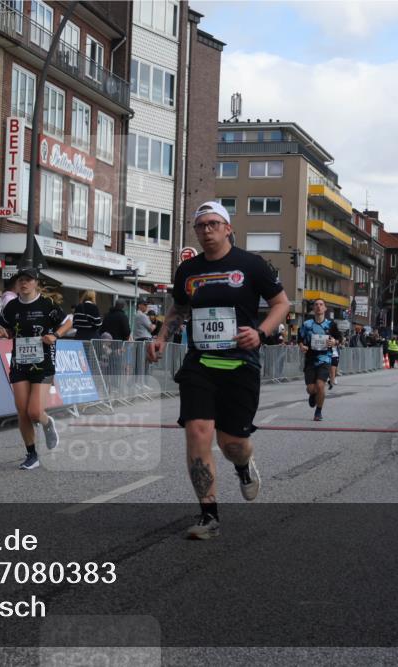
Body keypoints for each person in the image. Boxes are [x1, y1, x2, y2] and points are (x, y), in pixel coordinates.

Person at [147, 201, 290, 540]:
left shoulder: (252, 265)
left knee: (232, 443)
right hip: (200, 363)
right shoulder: (188, 271)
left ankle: (243, 465)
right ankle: (208, 515)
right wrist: (162, 336)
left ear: (228, 228)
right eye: (201, 226)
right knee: (197, 430)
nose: (207, 231)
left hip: (240, 364)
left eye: (213, 224)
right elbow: (178, 308)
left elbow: (281, 303)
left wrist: (261, 332)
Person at [0, 268, 73, 470]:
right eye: (21, 280)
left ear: (36, 283)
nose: (24, 283)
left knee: (34, 412)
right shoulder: (12, 306)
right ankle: (31, 454)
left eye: (28, 280)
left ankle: (47, 423)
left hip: (44, 363)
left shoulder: (47, 305)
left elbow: (68, 322)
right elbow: (1, 327)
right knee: (22, 412)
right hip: (19, 363)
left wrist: (55, 335)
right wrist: (2, 331)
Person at [299, 299, 343, 420]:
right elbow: (300, 339)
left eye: (321, 305)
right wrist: (302, 346)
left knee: (320, 385)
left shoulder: (331, 324)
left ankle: (318, 412)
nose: (319, 307)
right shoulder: (306, 324)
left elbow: (340, 338)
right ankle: (313, 394)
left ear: (325, 308)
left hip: (325, 359)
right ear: (313, 308)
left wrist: (335, 341)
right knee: (311, 388)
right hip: (310, 360)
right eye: (316, 305)